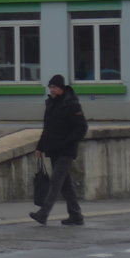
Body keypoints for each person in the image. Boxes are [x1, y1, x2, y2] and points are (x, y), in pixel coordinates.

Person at [29, 74, 88, 226]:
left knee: (55, 182)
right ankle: (76, 216)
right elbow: (47, 128)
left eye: (54, 87)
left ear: (61, 87)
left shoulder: (71, 104)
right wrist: (40, 147)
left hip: (66, 150)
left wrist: (67, 142)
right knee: (66, 185)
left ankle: (43, 214)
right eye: (50, 87)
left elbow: (82, 127)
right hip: (53, 149)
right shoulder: (51, 103)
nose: (52, 90)